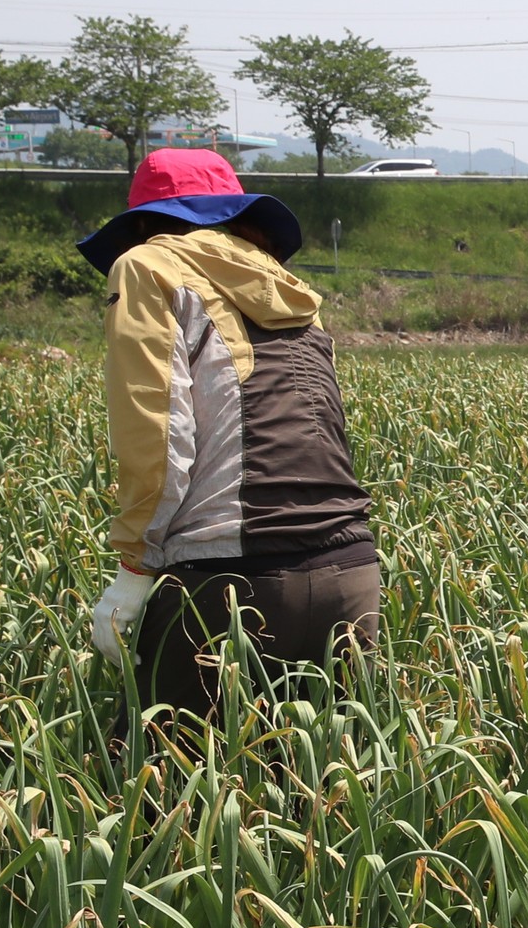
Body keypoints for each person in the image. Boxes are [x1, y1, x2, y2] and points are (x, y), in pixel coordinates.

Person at [78, 149, 380, 719]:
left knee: (164, 791)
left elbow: (158, 430)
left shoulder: (147, 266)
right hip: (351, 571)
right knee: (317, 795)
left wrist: (134, 570)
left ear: (143, 223)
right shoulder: (289, 286)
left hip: (229, 579)